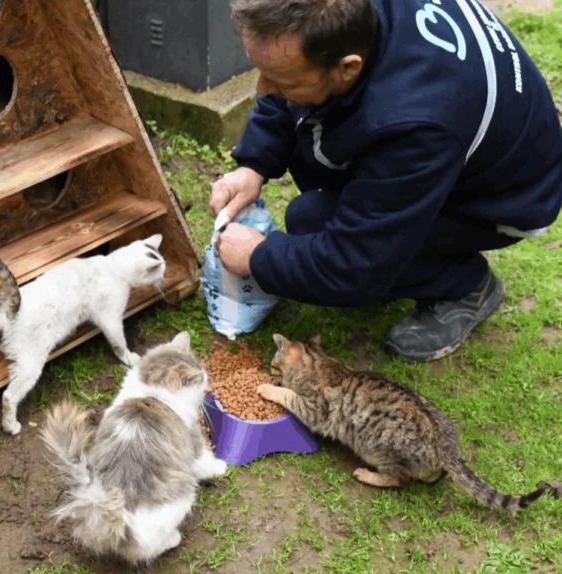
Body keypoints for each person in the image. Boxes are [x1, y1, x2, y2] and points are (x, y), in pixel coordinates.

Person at [210, 0, 562, 361]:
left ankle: (465, 285)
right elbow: (281, 90)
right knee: (316, 211)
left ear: (347, 68)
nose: (263, 88)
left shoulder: (415, 123)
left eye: (282, 81)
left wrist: (259, 257)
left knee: (313, 222)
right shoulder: (348, 25)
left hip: (508, 198)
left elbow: (355, 262)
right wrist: (253, 165)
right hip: (463, 136)